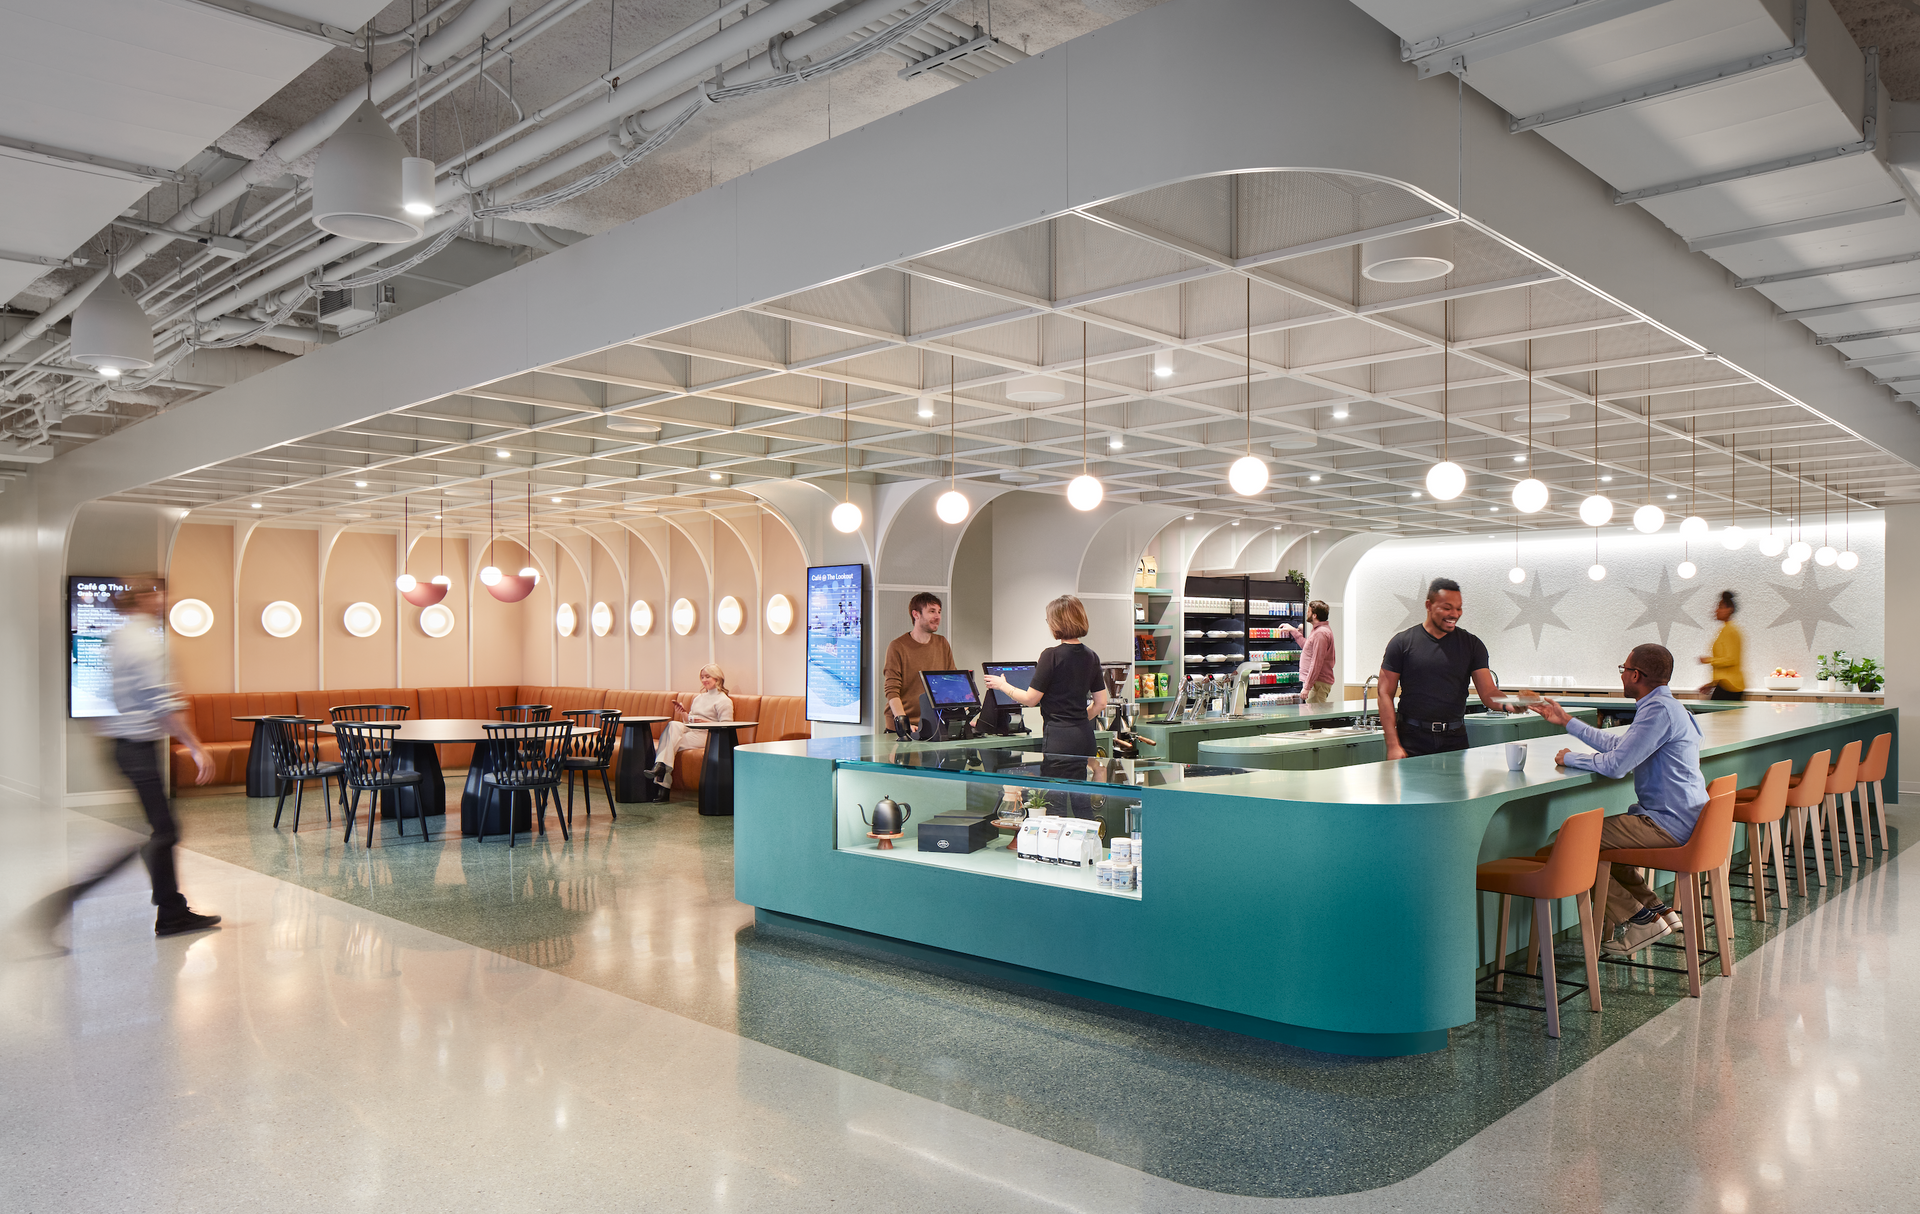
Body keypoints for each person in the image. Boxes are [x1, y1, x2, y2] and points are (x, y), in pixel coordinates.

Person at [25, 580, 219, 946]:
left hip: (126, 747)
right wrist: (195, 745)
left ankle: (172, 909)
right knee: (157, 834)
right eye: (160, 593)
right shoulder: (148, 643)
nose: (167, 598)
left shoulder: (119, 639)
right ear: (144, 599)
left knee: (157, 833)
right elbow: (164, 702)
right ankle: (52, 911)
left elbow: (112, 697)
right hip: (139, 750)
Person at [1529, 642, 1709, 954]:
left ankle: (1639, 920)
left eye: (1623, 669)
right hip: (1683, 817)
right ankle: (1658, 911)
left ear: (1635, 674)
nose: (1622, 675)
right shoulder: (1666, 706)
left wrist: (1571, 758)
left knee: (1569, 842)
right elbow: (1619, 744)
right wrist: (1566, 721)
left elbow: (1616, 765)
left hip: (1667, 823)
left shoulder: (1658, 712)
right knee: (1605, 847)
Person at [1377, 577, 1520, 759]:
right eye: (1447, 608)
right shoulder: (1402, 643)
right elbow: (1384, 694)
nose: (1454, 614)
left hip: (1455, 739)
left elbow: (1489, 692)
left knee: (1456, 789)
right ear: (1429, 605)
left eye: (1458, 608)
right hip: (1412, 738)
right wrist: (1392, 745)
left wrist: (1512, 704)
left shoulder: (1472, 645)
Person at [983, 594, 1109, 757]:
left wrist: (1002, 685)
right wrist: (1079, 720)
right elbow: (1101, 703)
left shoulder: (1051, 656)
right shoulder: (1092, 656)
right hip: (1085, 737)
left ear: (1057, 623)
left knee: (1056, 782)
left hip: (1059, 740)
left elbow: (1031, 699)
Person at [649, 664, 733, 790]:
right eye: (702, 677)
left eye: (707, 676)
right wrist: (682, 712)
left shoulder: (724, 701)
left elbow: (727, 727)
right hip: (691, 730)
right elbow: (689, 721)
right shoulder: (698, 698)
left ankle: (662, 780)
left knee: (668, 743)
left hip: (707, 735)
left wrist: (706, 722)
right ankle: (661, 770)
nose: (704, 680)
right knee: (673, 724)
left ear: (717, 678)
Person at [883, 591, 956, 735]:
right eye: (931, 611)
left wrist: (962, 717)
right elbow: (892, 691)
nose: (937, 617)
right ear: (916, 614)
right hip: (904, 726)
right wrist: (903, 723)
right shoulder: (897, 646)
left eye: (939, 612)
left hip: (934, 725)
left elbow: (952, 683)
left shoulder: (942, 643)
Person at [1281, 600, 1335, 703]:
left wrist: (1307, 687)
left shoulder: (1321, 633)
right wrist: (1293, 631)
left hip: (1317, 684)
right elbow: (1307, 648)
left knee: (1314, 715)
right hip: (1315, 683)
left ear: (1314, 615)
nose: (1307, 613)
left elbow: (1316, 663)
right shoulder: (1318, 631)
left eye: (1309, 611)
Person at [1698, 589, 1745, 701]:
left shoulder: (1731, 630)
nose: (1716, 610)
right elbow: (1725, 667)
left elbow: (1731, 660)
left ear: (1729, 610)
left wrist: (1708, 660)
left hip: (1730, 686)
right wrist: (1712, 683)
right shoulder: (1725, 630)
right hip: (1726, 685)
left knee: (1715, 716)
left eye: (1720, 607)